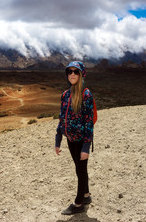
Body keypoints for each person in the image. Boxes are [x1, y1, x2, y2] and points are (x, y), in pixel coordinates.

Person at [55, 61, 95, 215]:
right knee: (80, 169)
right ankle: (86, 195)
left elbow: (89, 123)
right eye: (69, 72)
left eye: (75, 72)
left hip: (80, 140)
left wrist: (86, 147)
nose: (72, 74)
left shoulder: (86, 94)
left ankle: (78, 203)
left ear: (81, 74)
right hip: (70, 139)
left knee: (81, 170)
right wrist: (57, 140)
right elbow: (61, 119)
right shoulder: (65, 95)